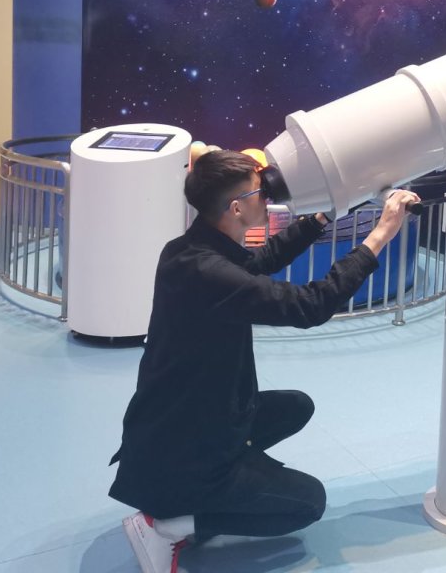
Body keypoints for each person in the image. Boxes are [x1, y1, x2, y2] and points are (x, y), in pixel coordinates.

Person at [109, 149, 420, 573]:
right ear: (236, 208)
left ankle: (218, 484)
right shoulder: (207, 273)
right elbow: (311, 305)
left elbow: (260, 262)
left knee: (296, 406)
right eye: (260, 192)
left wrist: (327, 214)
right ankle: (169, 525)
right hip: (185, 445)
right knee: (308, 503)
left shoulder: (189, 250)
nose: (268, 197)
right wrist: (380, 235)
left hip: (189, 416)